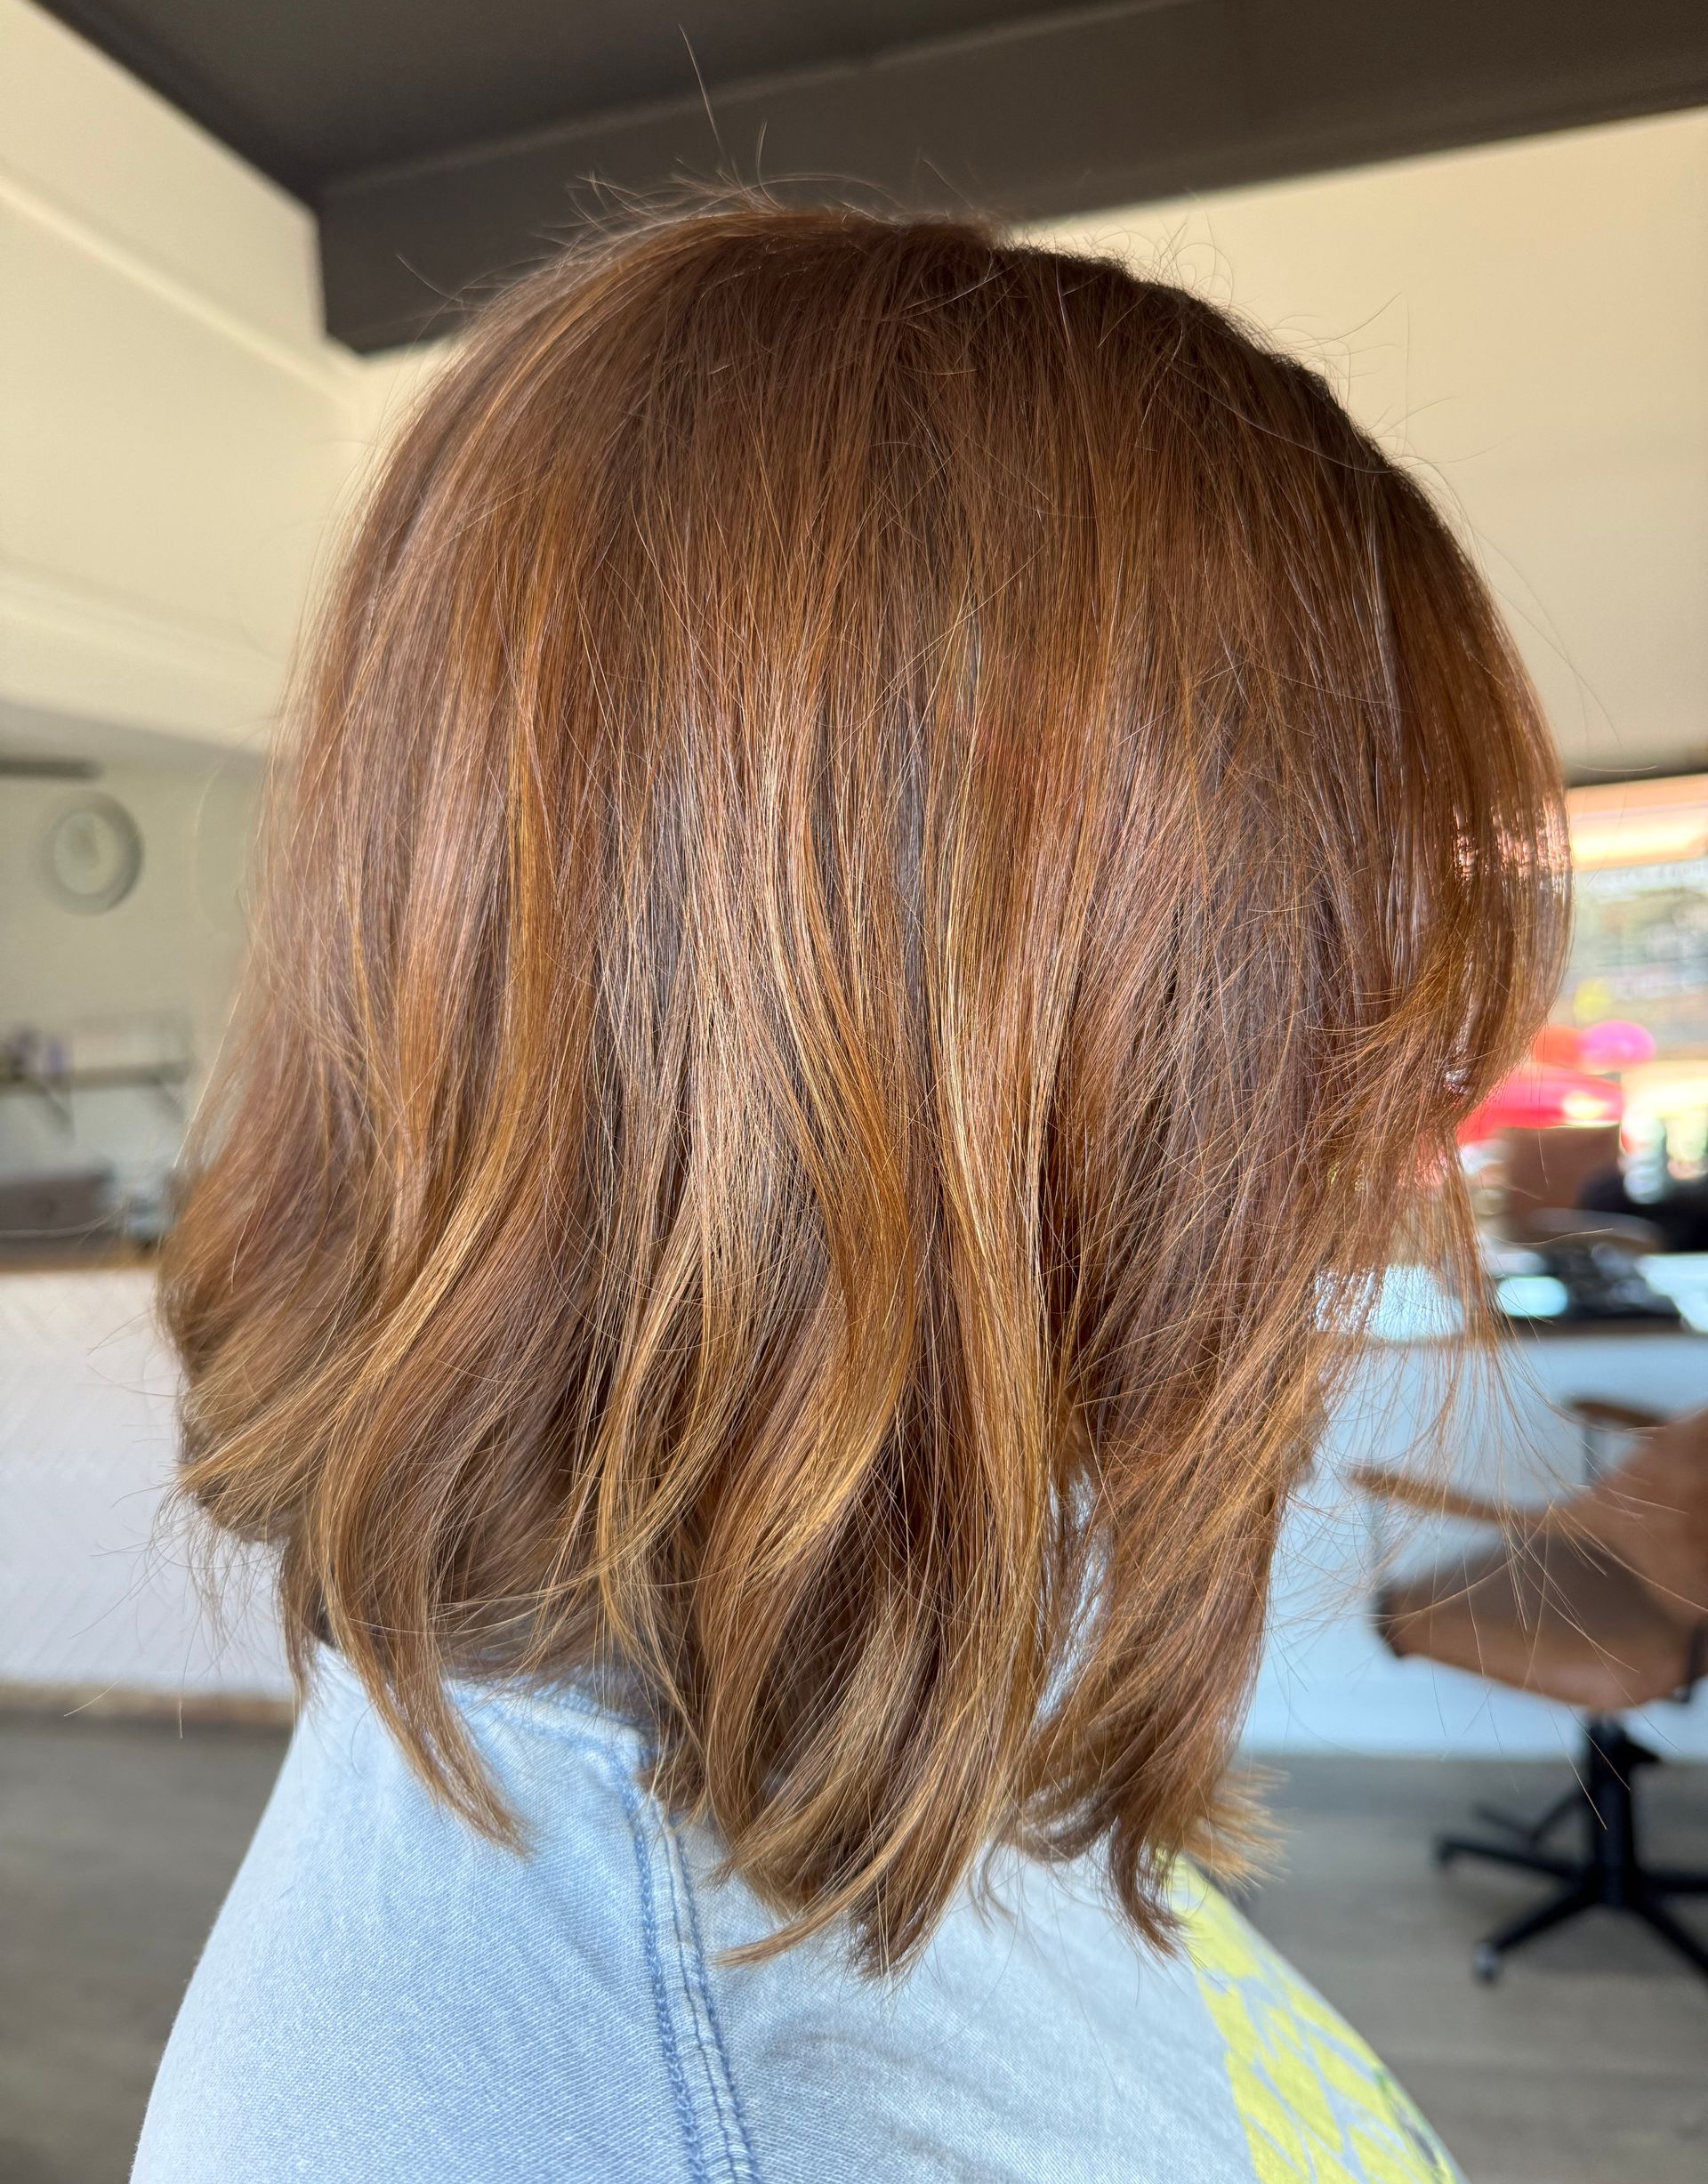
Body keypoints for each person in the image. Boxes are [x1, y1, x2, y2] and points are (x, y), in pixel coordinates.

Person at [135, 199, 1566, 2182]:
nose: (1407, 1141)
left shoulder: (845, 1664)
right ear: (931, 1026)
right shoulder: (657, 2111)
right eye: (1315, 991)